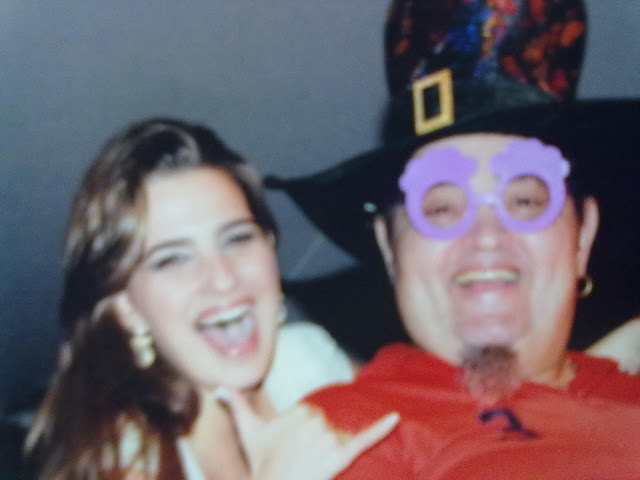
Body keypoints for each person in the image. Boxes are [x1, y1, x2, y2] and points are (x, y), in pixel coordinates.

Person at [266, 0, 640, 477]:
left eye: (526, 201)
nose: (487, 237)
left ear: (583, 236)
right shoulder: (350, 437)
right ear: (390, 250)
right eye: (441, 208)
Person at [24, 118, 398, 480]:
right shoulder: (124, 456)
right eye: (173, 259)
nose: (223, 278)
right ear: (126, 308)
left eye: (237, 239)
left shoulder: (306, 361)